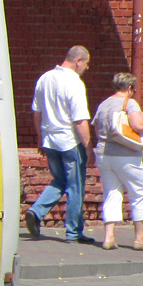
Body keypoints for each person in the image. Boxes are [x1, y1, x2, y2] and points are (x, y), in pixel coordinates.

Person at [23, 46, 95, 244]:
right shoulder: (75, 83)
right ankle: (73, 232)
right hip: (69, 141)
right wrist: (88, 147)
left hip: (50, 139)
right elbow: (79, 120)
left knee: (59, 181)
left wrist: (40, 137)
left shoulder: (45, 78)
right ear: (78, 60)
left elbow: (36, 112)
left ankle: (36, 212)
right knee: (75, 187)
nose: (86, 68)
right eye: (86, 64)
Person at [91, 73, 143, 251]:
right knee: (139, 191)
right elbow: (138, 126)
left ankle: (109, 237)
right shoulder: (130, 102)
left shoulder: (103, 104)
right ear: (129, 88)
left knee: (111, 192)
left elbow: (97, 130)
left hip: (104, 154)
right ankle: (139, 237)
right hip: (126, 155)